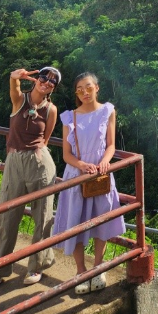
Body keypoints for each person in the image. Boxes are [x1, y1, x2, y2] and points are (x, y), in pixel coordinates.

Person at [0, 66, 60, 288]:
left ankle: (36, 266)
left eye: (52, 81)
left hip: (40, 163)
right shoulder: (20, 100)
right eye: (44, 77)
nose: (46, 82)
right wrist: (14, 77)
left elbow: (45, 139)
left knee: (43, 215)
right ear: (36, 78)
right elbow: (14, 88)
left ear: (53, 88)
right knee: (6, 215)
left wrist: (35, 155)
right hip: (15, 161)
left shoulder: (50, 109)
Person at [52, 72, 125, 294]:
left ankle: (98, 267)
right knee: (76, 221)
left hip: (101, 175)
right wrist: (82, 165)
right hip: (77, 175)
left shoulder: (108, 111)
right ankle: (81, 271)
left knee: (101, 220)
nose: (84, 92)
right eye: (80, 89)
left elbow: (111, 145)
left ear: (97, 88)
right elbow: (66, 154)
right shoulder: (69, 117)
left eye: (88, 87)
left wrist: (104, 162)